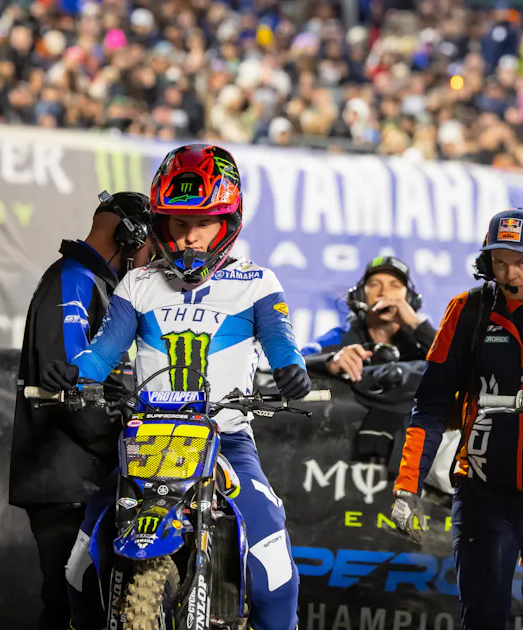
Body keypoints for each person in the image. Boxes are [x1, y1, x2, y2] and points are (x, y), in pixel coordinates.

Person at [40, 144, 311, 630]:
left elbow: (280, 342)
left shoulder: (257, 281)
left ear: (228, 223)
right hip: (147, 440)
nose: (189, 237)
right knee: (81, 563)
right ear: (162, 225)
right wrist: (75, 374)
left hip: (226, 439)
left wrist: (292, 370)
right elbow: (101, 354)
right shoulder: (138, 283)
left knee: (271, 565)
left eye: (203, 224)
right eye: (179, 224)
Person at [391, 208, 523, 630]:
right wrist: (407, 488)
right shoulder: (466, 310)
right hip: (483, 493)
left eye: (522, 261)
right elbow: (431, 404)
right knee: (483, 617)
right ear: (485, 261)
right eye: (500, 261)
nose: (510, 273)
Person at [8, 191, 153, 630]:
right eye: (151, 248)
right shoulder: (74, 279)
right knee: (71, 608)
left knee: (89, 607)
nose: (150, 261)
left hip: (78, 474)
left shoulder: (93, 283)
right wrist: (125, 444)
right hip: (67, 478)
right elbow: (73, 393)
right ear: (132, 237)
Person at [301, 256, 436, 382]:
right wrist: (329, 362)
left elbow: (449, 365)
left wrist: (417, 324)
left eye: (395, 286)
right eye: (375, 284)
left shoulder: (423, 342)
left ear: (409, 299)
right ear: (360, 296)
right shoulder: (338, 338)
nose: (384, 293)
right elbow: (294, 367)